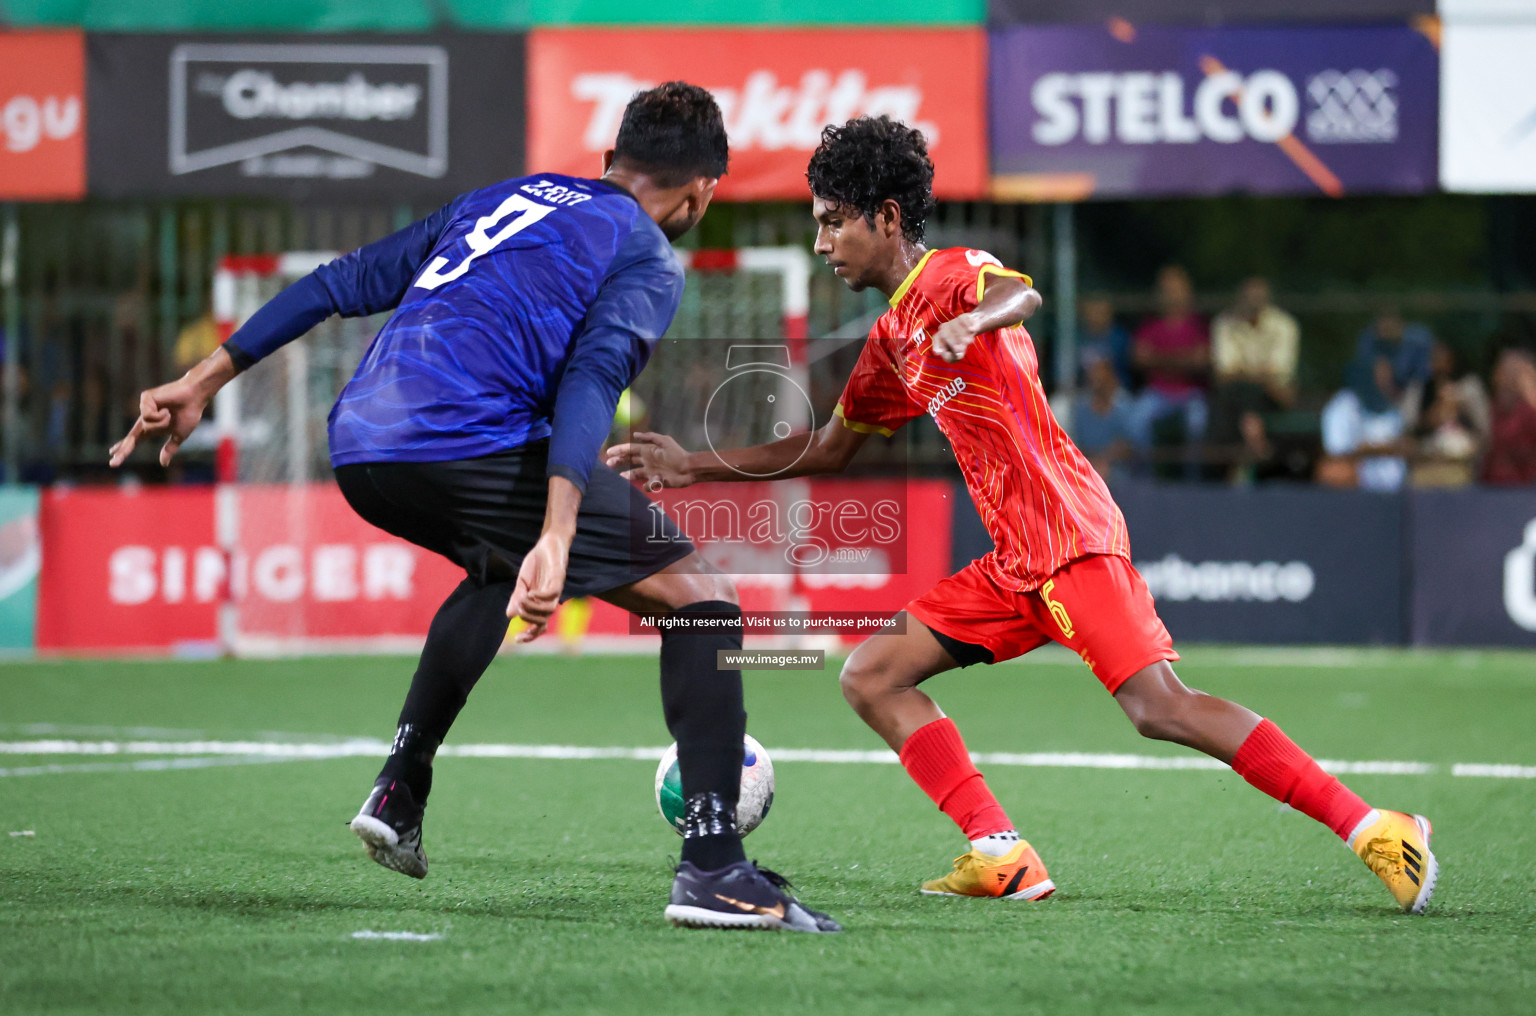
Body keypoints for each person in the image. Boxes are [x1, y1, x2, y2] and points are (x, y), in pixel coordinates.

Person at [610, 116, 1436, 914]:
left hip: (1068, 539)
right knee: (872, 675)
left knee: (1160, 707)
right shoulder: (892, 338)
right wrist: (692, 465)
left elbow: (1019, 292)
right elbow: (828, 450)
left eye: (833, 224)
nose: (822, 245)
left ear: (886, 218)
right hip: (1014, 565)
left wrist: (976, 319)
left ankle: (1374, 828)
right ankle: (1000, 853)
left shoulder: (950, 277)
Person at [106, 82, 838, 934]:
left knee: (496, 564)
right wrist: (560, 534)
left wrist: (203, 379)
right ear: (703, 191)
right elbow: (591, 383)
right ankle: (713, 866)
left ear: (608, 163)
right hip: (460, 437)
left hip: (361, 443)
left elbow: (346, 279)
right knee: (703, 601)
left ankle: (401, 785)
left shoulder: (503, 197)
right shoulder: (642, 252)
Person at [1207, 277, 1299, 481]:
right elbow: (1224, 375)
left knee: (1247, 394)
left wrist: (1244, 372)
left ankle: (1236, 464)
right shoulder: (1224, 323)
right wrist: (1259, 374)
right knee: (1236, 393)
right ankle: (1254, 441)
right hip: (1234, 397)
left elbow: (1278, 377)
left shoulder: (1284, 325)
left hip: (1271, 397)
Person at [1127, 265, 1210, 478]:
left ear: (1187, 292)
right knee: (1135, 420)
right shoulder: (1150, 324)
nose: (1171, 295)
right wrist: (1183, 359)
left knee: (1198, 422)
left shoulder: (1198, 324)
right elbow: (1139, 359)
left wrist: (1159, 358)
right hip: (1158, 392)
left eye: (1176, 289)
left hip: (1190, 393)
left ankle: (1193, 480)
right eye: (1166, 290)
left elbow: (1201, 361)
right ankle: (1147, 479)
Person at [1402, 341, 1490, 488]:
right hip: (1426, 464)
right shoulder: (1419, 390)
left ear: (1452, 361)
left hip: (1459, 465)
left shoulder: (1469, 388)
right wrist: (1436, 411)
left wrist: (1460, 407)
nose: (1439, 365)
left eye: (1444, 359)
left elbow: (1483, 432)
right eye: (1435, 359)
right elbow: (1410, 431)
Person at [1317, 356, 1409, 491]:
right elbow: (1337, 452)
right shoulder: (1342, 405)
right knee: (1335, 471)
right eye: (1380, 376)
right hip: (1358, 483)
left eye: (1387, 376)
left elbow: (1402, 443)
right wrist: (1380, 449)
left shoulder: (1391, 408)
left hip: (1395, 486)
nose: (1385, 381)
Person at [1071, 356, 1134, 482]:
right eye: (1091, 372)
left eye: (1099, 371)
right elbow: (1075, 445)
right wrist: (1092, 463)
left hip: (1119, 472)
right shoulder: (1080, 408)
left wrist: (1105, 460)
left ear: (1111, 374)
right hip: (1086, 467)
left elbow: (1129, 447)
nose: (1095, 376)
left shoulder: (1126, 406)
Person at [1481, 346, 1536, 486]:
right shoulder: (1493, 409)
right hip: (1492, 487)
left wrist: (1530, 390)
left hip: (1524, 490)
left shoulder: (1528, 411)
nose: (1499, 377)